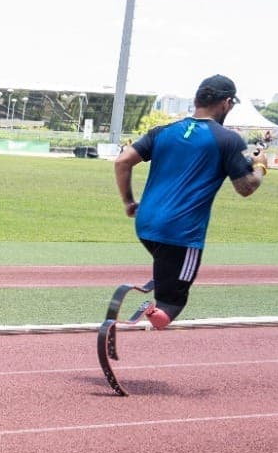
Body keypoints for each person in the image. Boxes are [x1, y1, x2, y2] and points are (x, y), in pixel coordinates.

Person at [113, 74, 264, 327]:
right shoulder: (229, 139)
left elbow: (122, 161)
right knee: (172, 304)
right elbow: (246, 187)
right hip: (181, 233)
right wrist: (261, 166)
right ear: (227, 103)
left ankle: (164, 282)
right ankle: (155, 311)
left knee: (168, 264)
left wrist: (129, 202)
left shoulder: (163, 131)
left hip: (146, 225)